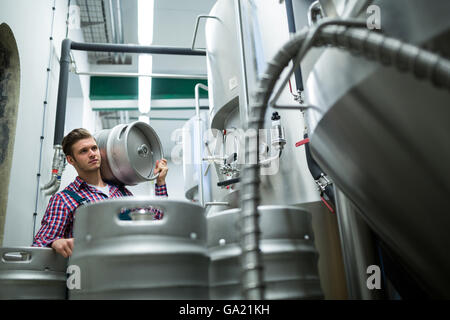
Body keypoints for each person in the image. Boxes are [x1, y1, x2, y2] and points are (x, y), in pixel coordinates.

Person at [32, 128, 169, 258]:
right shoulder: (64, 199)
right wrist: (55, 242)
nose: (92, 153)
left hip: (128, 270)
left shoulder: (122, 192)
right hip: (88, 275)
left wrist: (160, 182)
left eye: (94, 148)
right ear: (70, 160)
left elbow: (156, 222)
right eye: (83, 151)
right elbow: (40, 243)